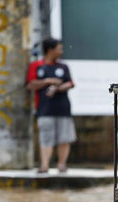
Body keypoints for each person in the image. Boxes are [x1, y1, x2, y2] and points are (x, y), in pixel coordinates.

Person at [26, 38, 75, 173]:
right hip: (44, 109)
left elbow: (70, 83)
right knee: (46, 137)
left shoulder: (63, 66)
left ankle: (62, 164)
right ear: (50, 50)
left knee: (64, 138)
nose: (61, 52)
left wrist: (57, 88)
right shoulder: (36, 66)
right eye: (59, 49)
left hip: (63, 108)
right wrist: (47, 81)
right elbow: (30, 84)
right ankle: (44, 165)